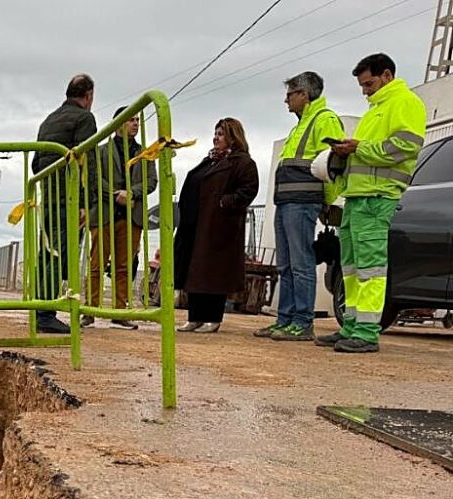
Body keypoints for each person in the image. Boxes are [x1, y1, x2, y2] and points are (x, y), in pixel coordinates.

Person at [318, 53, 426, 353]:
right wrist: (344, 154)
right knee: (351, 268)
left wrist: (358, 148)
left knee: (370, 267)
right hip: (357, 196)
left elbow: (405, 147)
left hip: (378, 197)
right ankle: (351, 326)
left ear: (387, 75)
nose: (365, 90)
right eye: (363, 85)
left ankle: (366, 332)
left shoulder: (405, 102)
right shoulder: (376, 110)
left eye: (369, 83)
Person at [256, 71, 346, 342]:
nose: (286, 101)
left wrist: (327, 202)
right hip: (286, 202)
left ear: (303, 95)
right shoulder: (300, 125)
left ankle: (303, 321)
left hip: (302, 202)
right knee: (285, 265)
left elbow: (334, 164)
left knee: (300, 263)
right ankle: (285, 320)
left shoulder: (325, 119)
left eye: (289, 95)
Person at [173, 118, 260, 333]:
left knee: (213, 274)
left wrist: (225, 202)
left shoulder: (242, 162)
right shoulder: (209, 160)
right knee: (195, 273)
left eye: (220, 133)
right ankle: (194, 317)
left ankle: (212, 318)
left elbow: (249, 189)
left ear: (233, 136)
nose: (215, 137)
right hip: (196, 225)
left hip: (220, 227)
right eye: (215, 133)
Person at [32, 73, 97, 334]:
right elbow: (88, 161)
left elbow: (36, 162)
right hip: (68, 198)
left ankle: (41, 309)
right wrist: (86, 202)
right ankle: (46, 314)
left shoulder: (48, 120)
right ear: (89, 95)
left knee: (47, 254)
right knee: (58, 255)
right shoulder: (84, 118)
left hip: (47, 196)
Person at [85, 106, 158, 329]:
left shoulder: (145, 153)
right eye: (130, 120)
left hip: (132, 217)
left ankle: (120, 311)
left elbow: (151, 181)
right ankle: (90, 309)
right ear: (118, 124)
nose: (135, 124)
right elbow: (95, 178)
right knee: (97, 263)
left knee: (125, 265)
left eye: (137, 120)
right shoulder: (101, 151)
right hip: (105, 214)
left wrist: (132, 193)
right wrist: (115, 195)